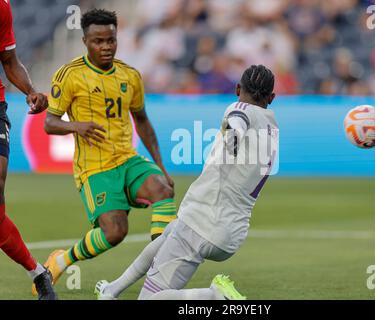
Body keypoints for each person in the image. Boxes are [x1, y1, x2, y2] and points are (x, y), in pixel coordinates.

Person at [95, 64, 278, 300]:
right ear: (272, 97)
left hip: (202, 221)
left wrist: (231, 142)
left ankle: (214, 297)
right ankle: (112, 289)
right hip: (230, 234)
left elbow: (237, 119)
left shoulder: (239, 107)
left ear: (237, 88)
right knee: (167, 234)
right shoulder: (272, 126)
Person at [32, 9, 177, 296]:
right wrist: (77, 126)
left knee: (163, 189)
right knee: (115, 232)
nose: (106, 47)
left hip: (127, 158)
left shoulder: (129, 75)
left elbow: (142, 120)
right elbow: (49, 123)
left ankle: (162, 265)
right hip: (94, 168)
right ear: (85, 40)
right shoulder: (69, 75)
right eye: (98, 41)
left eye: (111, 40)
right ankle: (61, 260)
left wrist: (161, 167)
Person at [0, 0, 57, 300]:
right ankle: (38, 272)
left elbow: (9, 61)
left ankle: (38, 275)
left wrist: (31, 90)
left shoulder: (2, 8)